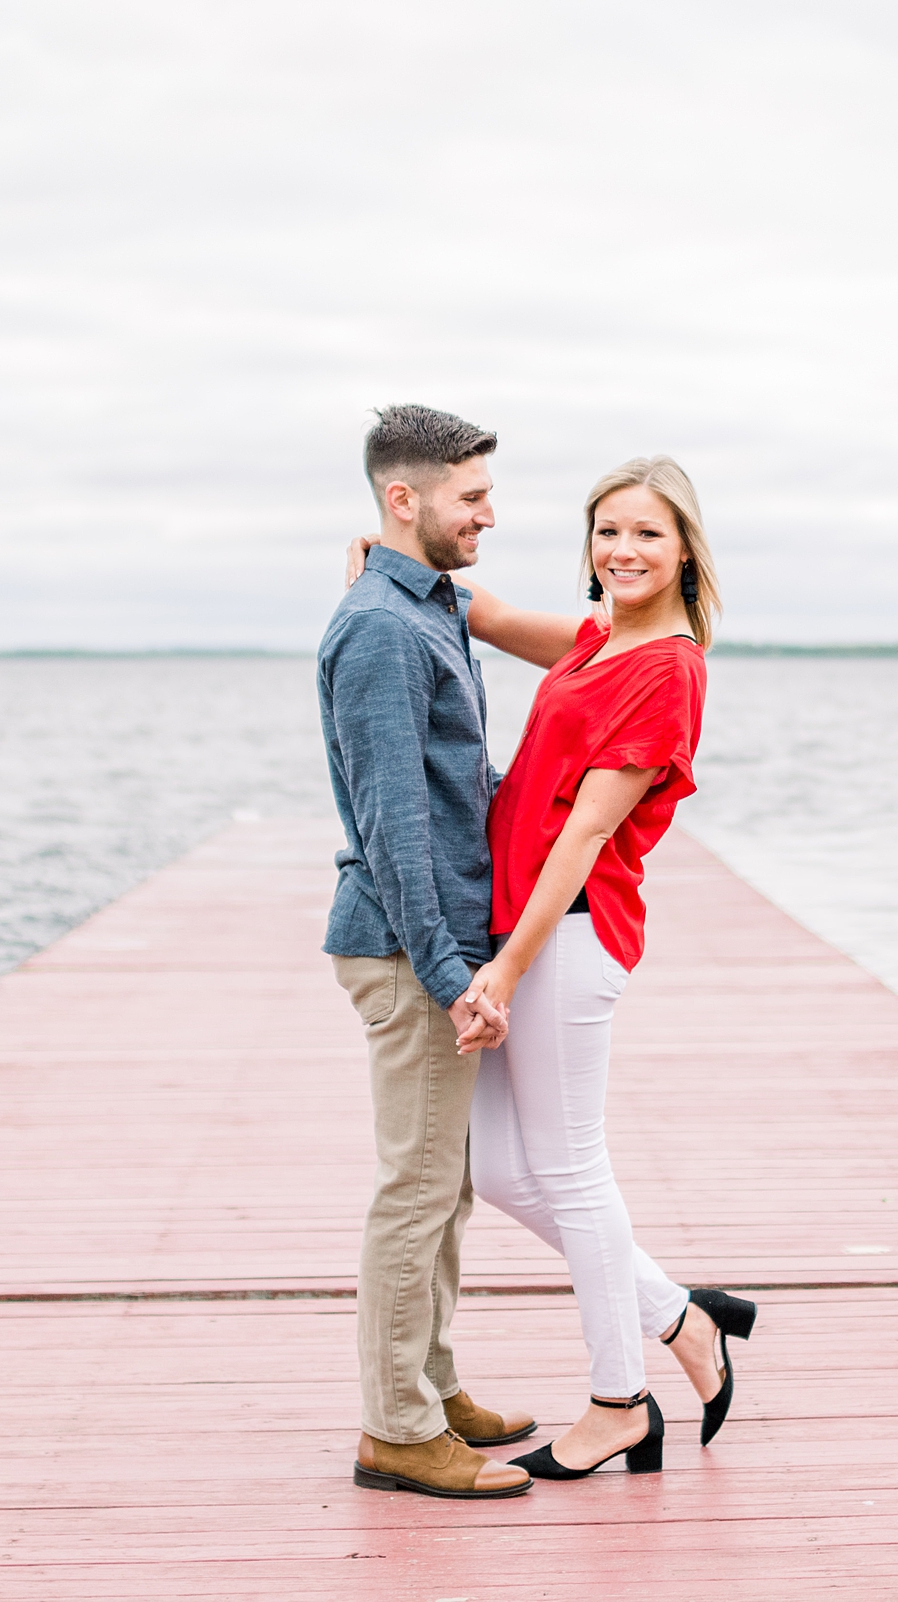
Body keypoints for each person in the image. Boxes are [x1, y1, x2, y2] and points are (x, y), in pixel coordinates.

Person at [346, 454, 755, 1482]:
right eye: (607, 531)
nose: (623, 550)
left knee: (571, 1169)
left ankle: (621, 1399)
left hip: (567, 933)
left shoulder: (668, 668)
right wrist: (387, 560)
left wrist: (503, 971)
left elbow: (582, 835)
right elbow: (480, 614)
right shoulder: (595, 642)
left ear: (686, 552)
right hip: (515, 932)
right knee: (497, 1167)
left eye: (647, 534)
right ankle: (679, 1317)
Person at [317, 404, 534, 1501]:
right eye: (471, 498)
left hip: (438, 941)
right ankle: (395, 1427)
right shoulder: (382, 632)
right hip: (410, 949)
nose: (490, 516)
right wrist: (455, 979)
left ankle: (430, 1382)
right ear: (403, 499)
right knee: (414, 1190)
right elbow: (395, 823)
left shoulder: (423, 603)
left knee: (444, 1187)